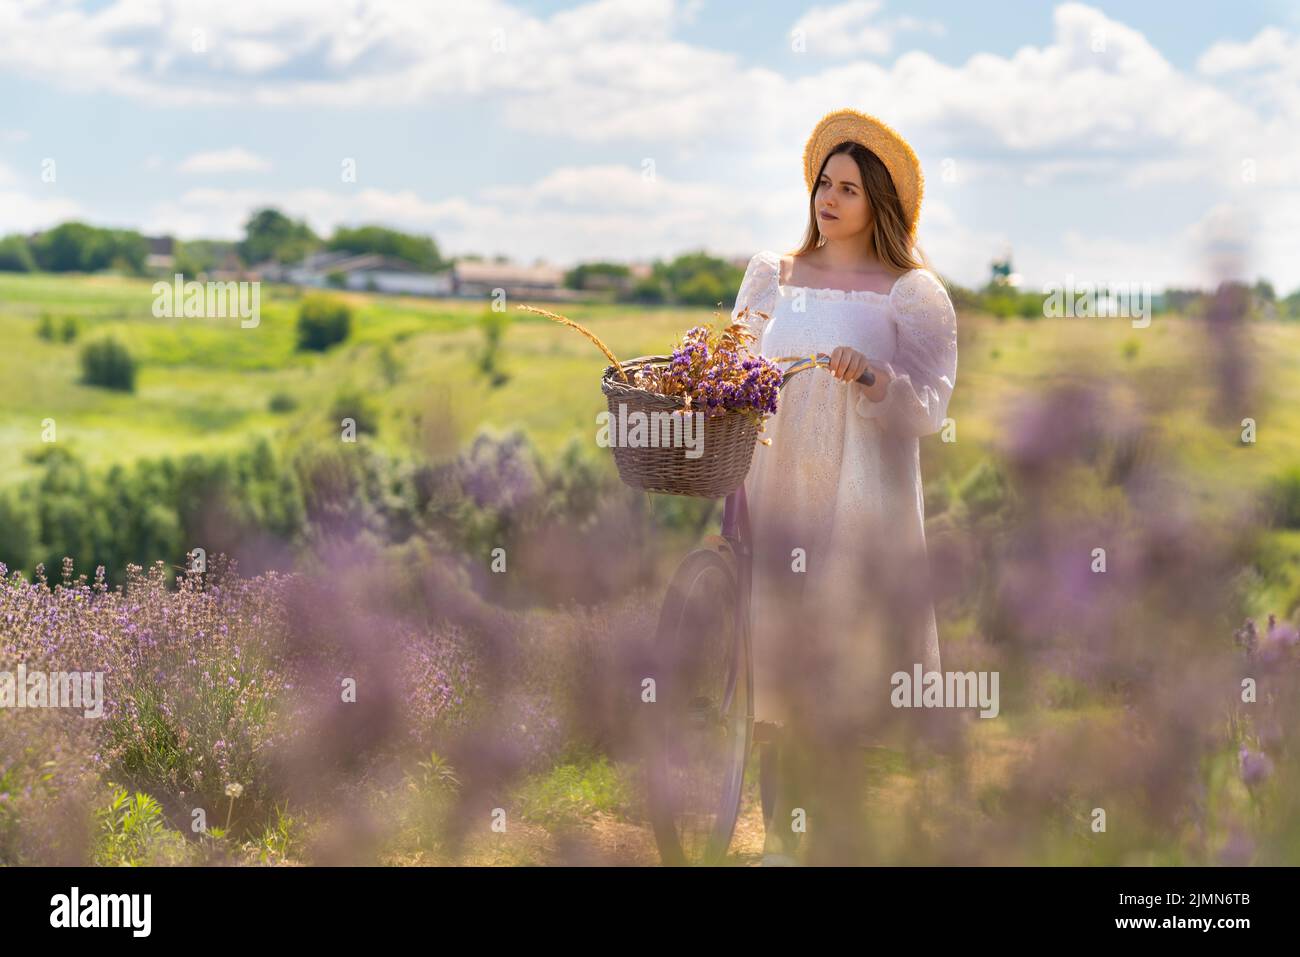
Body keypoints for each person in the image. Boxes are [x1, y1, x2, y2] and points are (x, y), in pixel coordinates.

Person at [730, 108, 958, 865]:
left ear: (880, 204)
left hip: (861, 497)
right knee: (777, 659)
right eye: (824, 183)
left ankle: (822, 840)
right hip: (779, 482)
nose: (829, 199)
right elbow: (735, 367)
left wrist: (875, 377)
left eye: (849, 189)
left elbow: (928, 406)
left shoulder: (910, 294)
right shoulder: (774, 273)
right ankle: (780, 844)